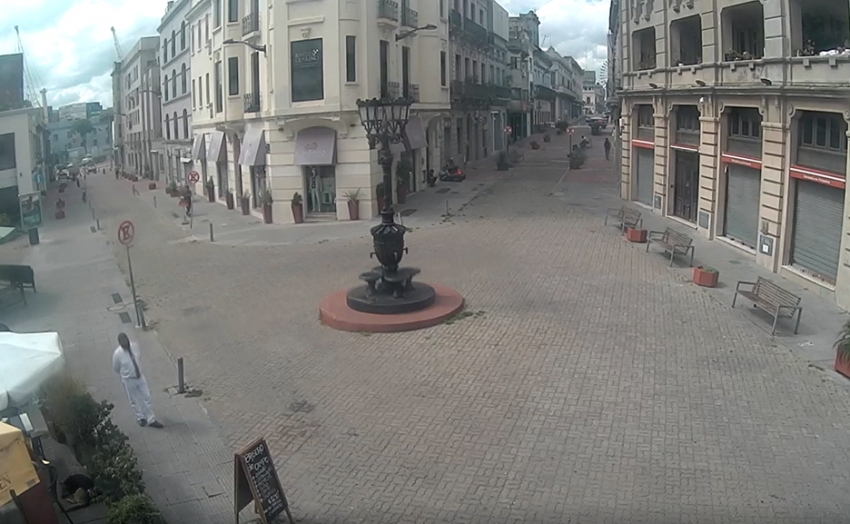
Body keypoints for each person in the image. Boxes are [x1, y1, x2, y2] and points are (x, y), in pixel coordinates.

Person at [112, 333, 163, 428]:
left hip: (140, 376)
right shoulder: (117, 355)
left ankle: (151, 419)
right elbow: (116, 368)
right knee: (134, 399)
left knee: (147, 396)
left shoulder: (135, 346)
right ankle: (140, 417)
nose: (126, 345)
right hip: (129, 380)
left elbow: (139, 358)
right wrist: (126, 374)